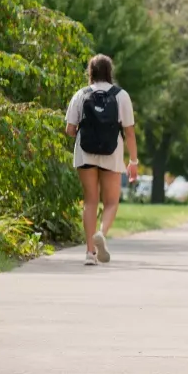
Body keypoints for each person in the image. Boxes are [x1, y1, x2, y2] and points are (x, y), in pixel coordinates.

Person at [64, 54, 139, 266]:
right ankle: (102, 234)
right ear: (109, 72)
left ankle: (90, 253)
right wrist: (133, 161)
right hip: (112, 152)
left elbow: (69, 129)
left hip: (85, 153)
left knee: (90, 201)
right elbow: (129, 132)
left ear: (91, 72)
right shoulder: (121, 95)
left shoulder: (80, 94)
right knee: (112, 202)